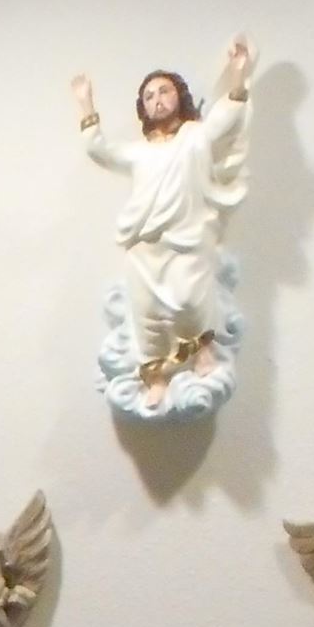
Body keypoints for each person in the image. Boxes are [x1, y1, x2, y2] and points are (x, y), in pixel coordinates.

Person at [73, 36, 255, 406]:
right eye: (149, 96)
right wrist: (85, 103)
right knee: (147, 312)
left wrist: (238, 74)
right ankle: (155, 375)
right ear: (143, 108)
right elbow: (100, 150)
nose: (157, 100)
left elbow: (226, 119)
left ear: (179, 96)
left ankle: (201, 350)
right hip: (145, 242)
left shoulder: (194, 137)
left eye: (164, 91)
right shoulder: (139, 152)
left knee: (189, 299)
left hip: (186, 237)